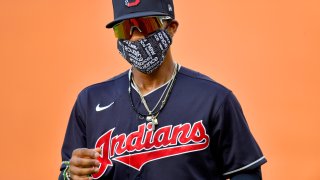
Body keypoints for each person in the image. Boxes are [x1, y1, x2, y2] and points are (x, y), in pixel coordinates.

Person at [59, 0, 267, 179]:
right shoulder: (90, 101)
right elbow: (66, 173)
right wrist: (70, 174)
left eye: (144, 24)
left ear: (171, 27)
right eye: (124, 28)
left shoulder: (215, 99)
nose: (135, 37)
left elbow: (245, 172)